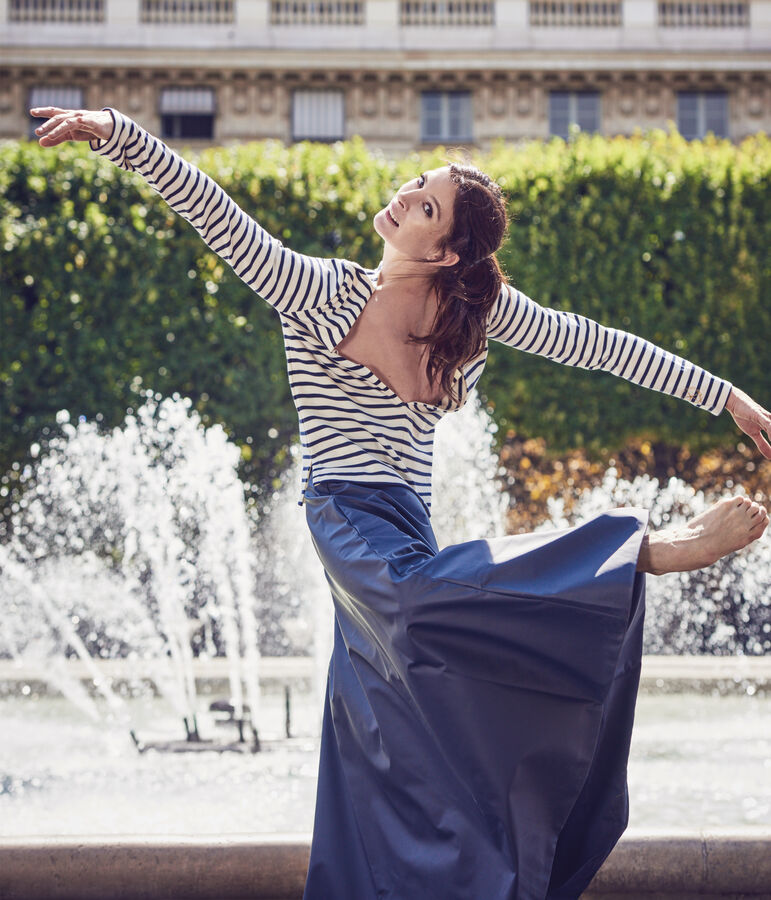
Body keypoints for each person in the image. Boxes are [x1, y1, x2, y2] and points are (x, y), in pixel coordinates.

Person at [32, 106, 769, 899]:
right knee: (417, 609)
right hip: (344, 517)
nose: (402, 196)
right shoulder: (317, 291)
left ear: (445, 250)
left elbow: (595, 343)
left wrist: (724, 396)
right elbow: (215, 213)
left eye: (424, 204)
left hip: (409, 526)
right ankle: (637, 553)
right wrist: (117, 130)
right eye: (416, 184)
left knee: (378, 742)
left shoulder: (474, 314)